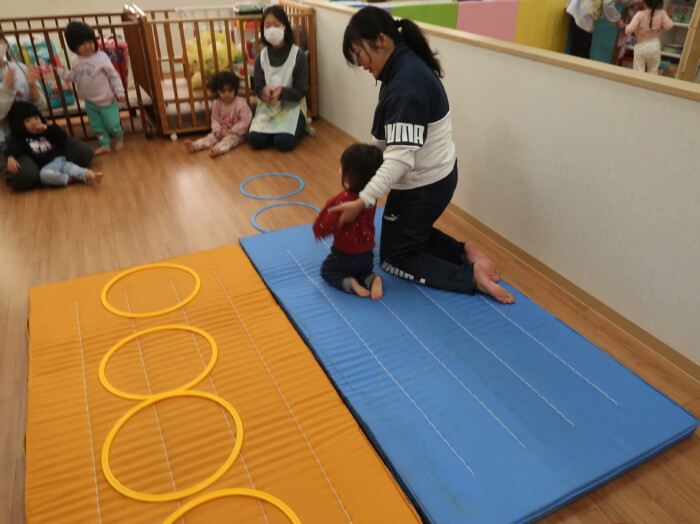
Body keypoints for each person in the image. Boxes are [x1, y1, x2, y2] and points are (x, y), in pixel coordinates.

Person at [335, 6, 514, 304]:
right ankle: (462, 251)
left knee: (393, 256)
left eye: (359, 53)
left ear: (381, 40)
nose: (361, 63)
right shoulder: (401, 65)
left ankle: (469, 276)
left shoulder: (406, 85)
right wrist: (361, 184)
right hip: (435, 175)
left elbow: (399, 159)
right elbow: (386, 141)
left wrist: (363, 200)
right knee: (401, 233)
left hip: (425, 185)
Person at [1, 32, 94, 191]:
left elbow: (40, 106)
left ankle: (46, 170)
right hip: (11, 142)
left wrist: (32, 88)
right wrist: (6, 89)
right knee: (24, 176)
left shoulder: (19, 68)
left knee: (85, 154)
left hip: (39, 134)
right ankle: (45, 170)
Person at [314, 143, 384, 299]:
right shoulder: (372, 197)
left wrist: (318, 229)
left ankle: (350, 284)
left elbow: (324, 225)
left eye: (342, 167)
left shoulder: (341, 201)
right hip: (367, 252)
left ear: (349, 176)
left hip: (345, 253)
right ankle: (372, 279)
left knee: (327, 271)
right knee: (364, 272)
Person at [57, 21, 126, 155]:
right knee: (97, 126)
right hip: (89, 101)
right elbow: (74, 77)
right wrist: (60, 72)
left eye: (90, 42)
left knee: (112, 123)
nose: (87, 46)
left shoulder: (101, 57)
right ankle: (104, 144)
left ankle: (119, 138)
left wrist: (120, 91)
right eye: (82, 44)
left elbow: (113, 75)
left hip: (106, 99)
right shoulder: (75, 60)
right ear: (73, 46)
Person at [248, 5, 309, 152]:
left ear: (285, 28)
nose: (272, 29)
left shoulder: (298, 55)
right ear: (263, 30)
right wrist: (264, 92)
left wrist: (282, 92)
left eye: (276, 25)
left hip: (292, 106)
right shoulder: (261, 57)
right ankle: (273, 133)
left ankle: (290, 128)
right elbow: (259, 88)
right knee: (255, 140)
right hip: (269, 107)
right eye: (268, 26)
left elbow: (300, 91)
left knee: (283, 142)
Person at [4, 101, 103, 186]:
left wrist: (47, 128)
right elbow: (13, 147)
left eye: (36, 118)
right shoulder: (22, 138)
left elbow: (61, 135)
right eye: (28, 121)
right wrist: (10, 157)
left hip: (61, 160)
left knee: (75, 169)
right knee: (44, 176)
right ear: (20, 125)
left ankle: (92, 175)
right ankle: (70, 179)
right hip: (46, 167)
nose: (34, 122)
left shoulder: (47, 130)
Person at [184, 71, 252, 157]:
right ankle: (195, 146)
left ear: (235, 89)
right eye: (222, 91)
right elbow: (215, 119)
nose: (226, 94)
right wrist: (216, 130)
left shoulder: (240, 104)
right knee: (210, 137)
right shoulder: (218, 103)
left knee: (229, 140)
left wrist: (232, 130)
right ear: (217, 91)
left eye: (230, 90)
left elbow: (246, 120)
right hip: (221, 131)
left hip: (237, 133)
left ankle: (218, 149)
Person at [566, 0, 632, 59]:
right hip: (585, 13)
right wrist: (617, 21)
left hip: (584, 11)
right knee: (580, 52)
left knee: (581, 48)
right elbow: (607, 3)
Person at [625, 0, 673, 74]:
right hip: (655, 46)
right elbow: (669, 26)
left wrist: (627, 27)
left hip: (640, 46)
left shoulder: (640, 14)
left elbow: (629, 30)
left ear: (644, 3)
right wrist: (661, 25)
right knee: (654, 70)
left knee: (638, 70)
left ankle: (638, 81)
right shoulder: (662, 13)